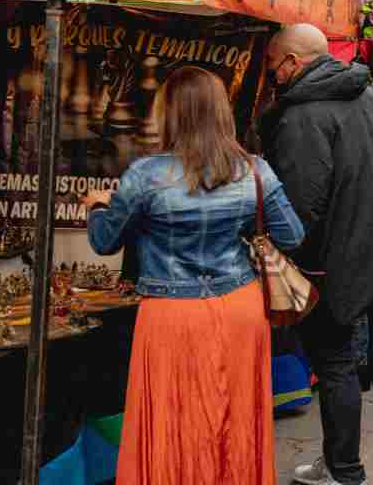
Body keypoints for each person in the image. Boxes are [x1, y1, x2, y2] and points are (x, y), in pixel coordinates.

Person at [84, 67, 305, 485]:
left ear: (169, 113)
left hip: (171, 314)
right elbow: (292, 236)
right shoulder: (256, 170)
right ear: (221, 111)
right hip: (240, 308)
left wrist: (97, 206)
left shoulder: (144, 175)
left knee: (172, 420)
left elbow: (104, 242)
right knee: (234, 417)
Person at [261, 24, 373, 485]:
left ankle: (344, 469)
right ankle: (339, 462)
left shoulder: (302, 115)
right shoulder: (360, 94)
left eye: (272, 67)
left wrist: (286, 255)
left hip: (330, 260)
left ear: (291, 62)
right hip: (365, 246)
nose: (272, 76)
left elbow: (301, 205)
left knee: (334, 363)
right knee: (341, 360)